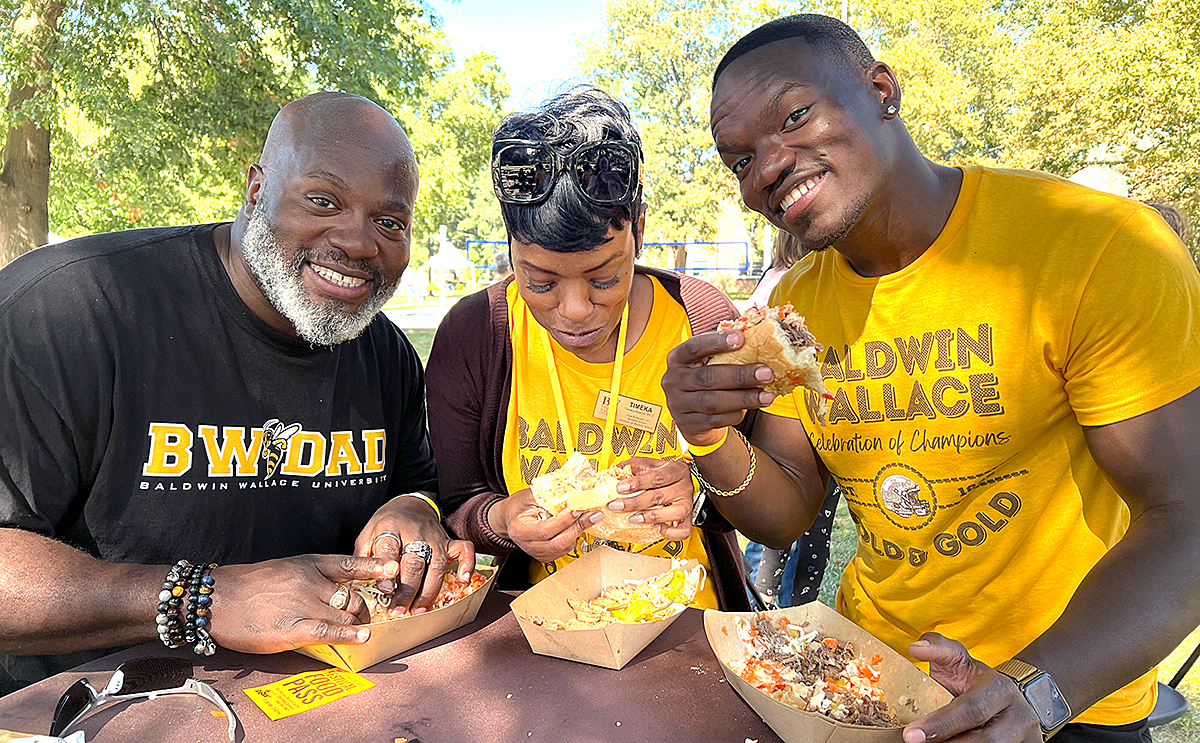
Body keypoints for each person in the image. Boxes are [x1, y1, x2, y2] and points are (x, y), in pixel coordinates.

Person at [662, 14, 1200, 743]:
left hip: (1068, 692)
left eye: (795, 115)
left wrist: (1035, 691)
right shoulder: (803, 304)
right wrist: (708, 434)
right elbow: (785, 511)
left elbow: (1185, 519)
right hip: (870, 679)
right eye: (740, 159)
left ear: (881, 89)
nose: (767, 168)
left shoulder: (1097, 247)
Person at [0, 92, 474, 695]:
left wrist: (412, 509)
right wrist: (204, 594)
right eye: (323, 200)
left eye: (390, 222)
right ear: (256, 189)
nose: (358, 243)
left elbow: (416, 482)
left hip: (329, 700)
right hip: (94, 708)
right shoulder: (70, 310)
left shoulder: (383, 354)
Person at [427, 87, 750, 610]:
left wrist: (701, 494)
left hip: (688, 630)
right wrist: (501, 521)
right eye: (540, 282)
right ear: (510, 243)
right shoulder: (476, 335)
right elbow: (459, 504)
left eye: (604, 279)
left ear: (638, 228)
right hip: (541, 631)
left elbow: (754, 491)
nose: (575, 310)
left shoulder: (700, 319)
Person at [743, 229, 838, 608]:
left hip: (790, 424)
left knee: (773, 540)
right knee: (814, 530)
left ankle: (764, 597)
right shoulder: (791, 285)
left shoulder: (770, 280)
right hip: (805, 425)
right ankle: (797, 603)